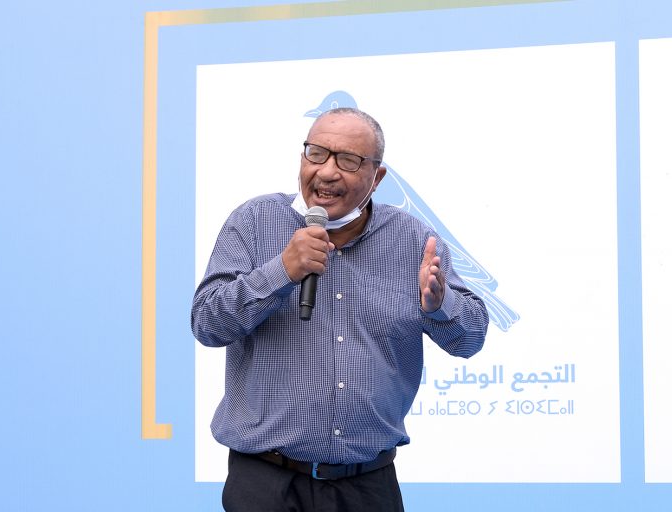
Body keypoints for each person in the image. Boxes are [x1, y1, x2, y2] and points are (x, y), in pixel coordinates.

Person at [191, 107, 489, 511]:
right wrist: (281, 271)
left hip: (367, 486)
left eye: (348, 160)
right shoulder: (255, 222)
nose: (327, 172)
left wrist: (440, 306)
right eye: (316, 153)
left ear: (376, 177)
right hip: (266, 483)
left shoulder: (413, 240)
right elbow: (208, 323)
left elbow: (470, 339)